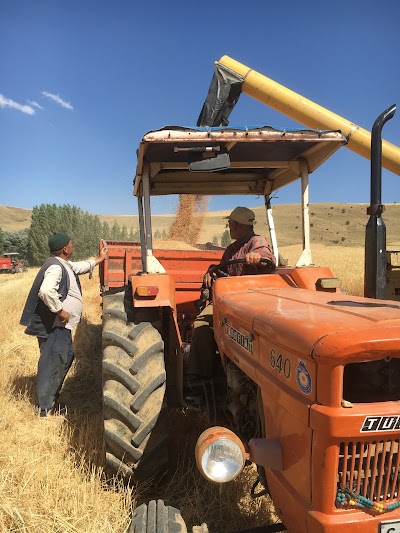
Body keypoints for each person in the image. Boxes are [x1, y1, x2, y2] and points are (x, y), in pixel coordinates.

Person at [20, 232, 108, 417]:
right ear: (66, 249)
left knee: (65, 357)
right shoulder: (55, 267)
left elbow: (80, 266)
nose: (72, 245)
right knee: (53, 362)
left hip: (61, 326)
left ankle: (51, 400)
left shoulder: (64, 264)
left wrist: (99, 259)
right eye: (71, 244)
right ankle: (44, 409)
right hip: (55, 325)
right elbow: (46, 291)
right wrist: (60, 311)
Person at [186, 207, 276, 384]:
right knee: (202, 324)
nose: (229, 227)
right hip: (228, 300)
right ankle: (200, 377)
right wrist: (211, 273)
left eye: (230, 224)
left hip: (251, 300)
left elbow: (267, 256)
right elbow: (222, 269)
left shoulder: (256, 241)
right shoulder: (231, 249)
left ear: (235, 225)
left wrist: (257, 257)